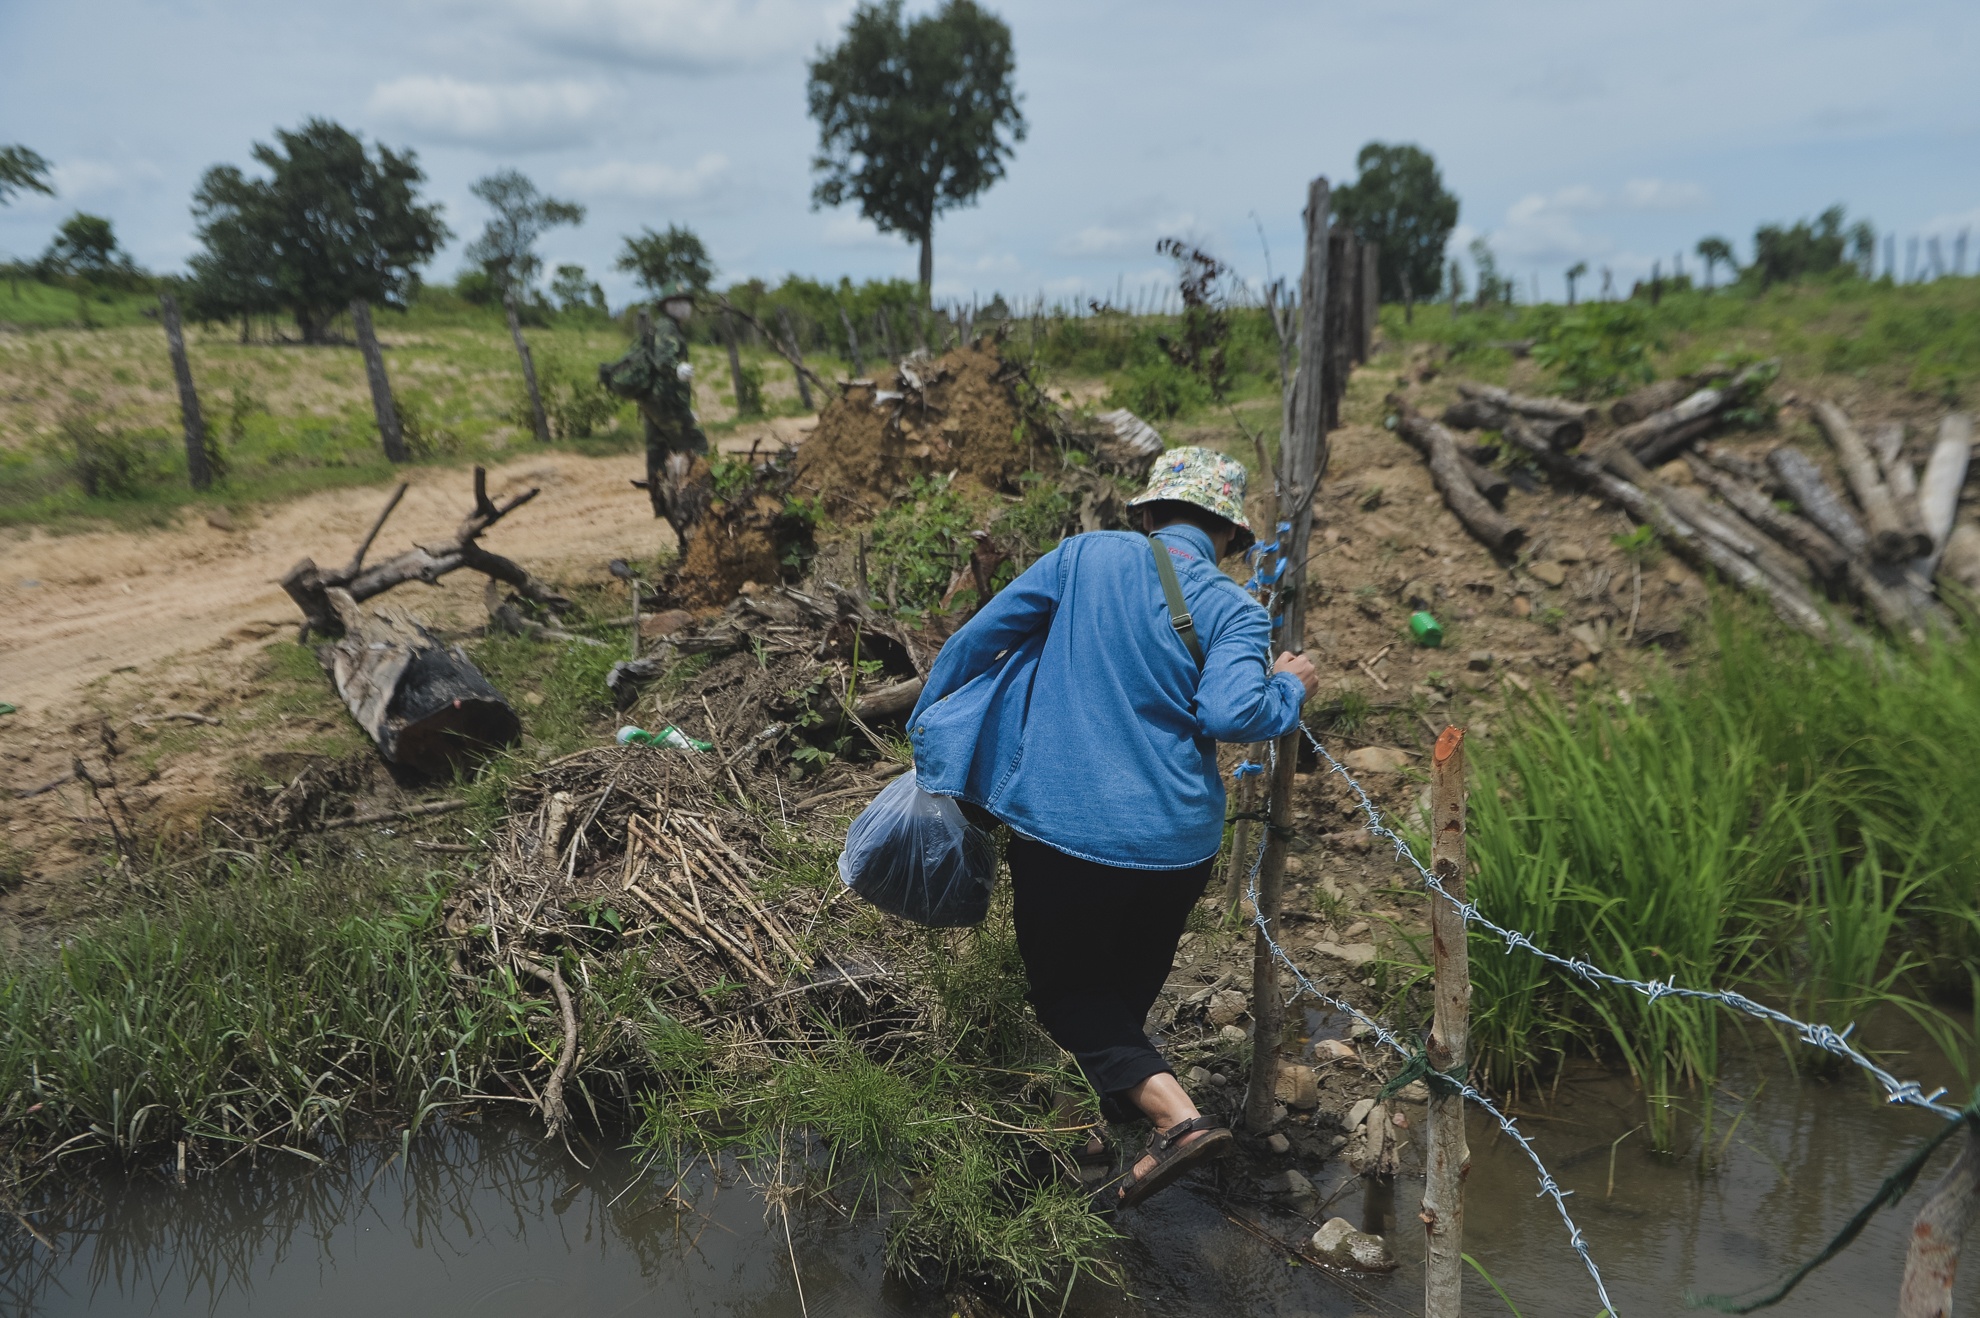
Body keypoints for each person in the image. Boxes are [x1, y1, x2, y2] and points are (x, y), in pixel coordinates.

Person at [906, 446, 1319, 1209]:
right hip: (1179, 847)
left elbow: (976, 641)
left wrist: (929, 729)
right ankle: (1094, 1135)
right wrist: (1288, 687)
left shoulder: (1083, 557)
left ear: (1148, 512)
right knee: (1120, 998)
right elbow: (1232, 712)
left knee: (1068, 994)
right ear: (1231, 536)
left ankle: (1178, 1122)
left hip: (1068, 831)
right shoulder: (1236, 610)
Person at [599, 283, 711, 544]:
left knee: (658, 456)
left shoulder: (664, 327)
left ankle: (667, 508)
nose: (685, 307)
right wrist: (677, 369)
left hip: (655, 402)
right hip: (666, 402)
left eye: (686, 301)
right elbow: (663, 362)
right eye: (678, 302)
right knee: (697, 447)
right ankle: (703, 507)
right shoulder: (667, 329)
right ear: (667, 306)